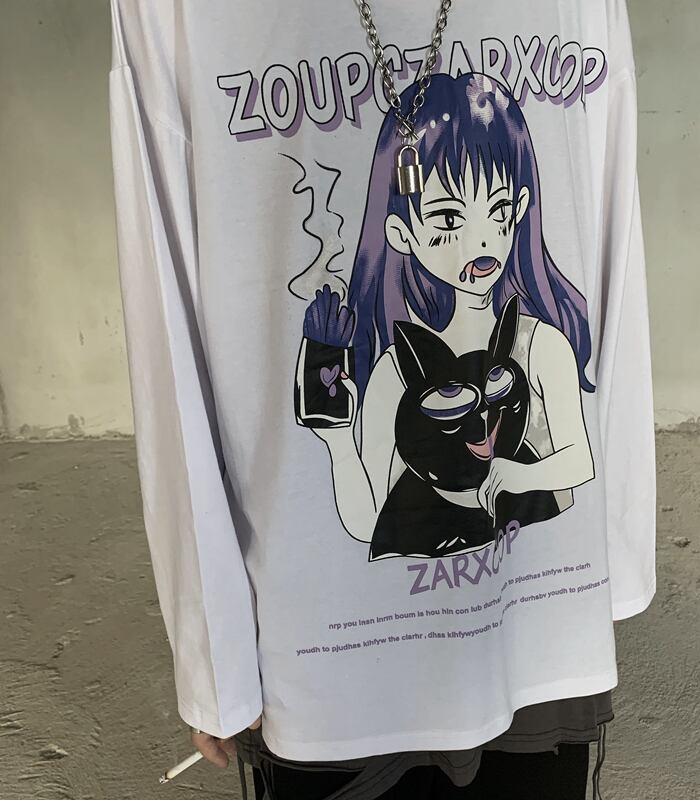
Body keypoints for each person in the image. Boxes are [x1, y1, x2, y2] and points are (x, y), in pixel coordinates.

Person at [108, 1, 655, 798]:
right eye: (446, 216)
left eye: (497, 212)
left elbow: (613, 221)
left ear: (518, 211)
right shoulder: (397, 371)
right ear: (401, 233)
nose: (478, 241)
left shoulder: (537, 345)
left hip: (533, 617)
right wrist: (212, 652)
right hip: (330, 643)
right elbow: (165, 303)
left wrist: (602, 548)